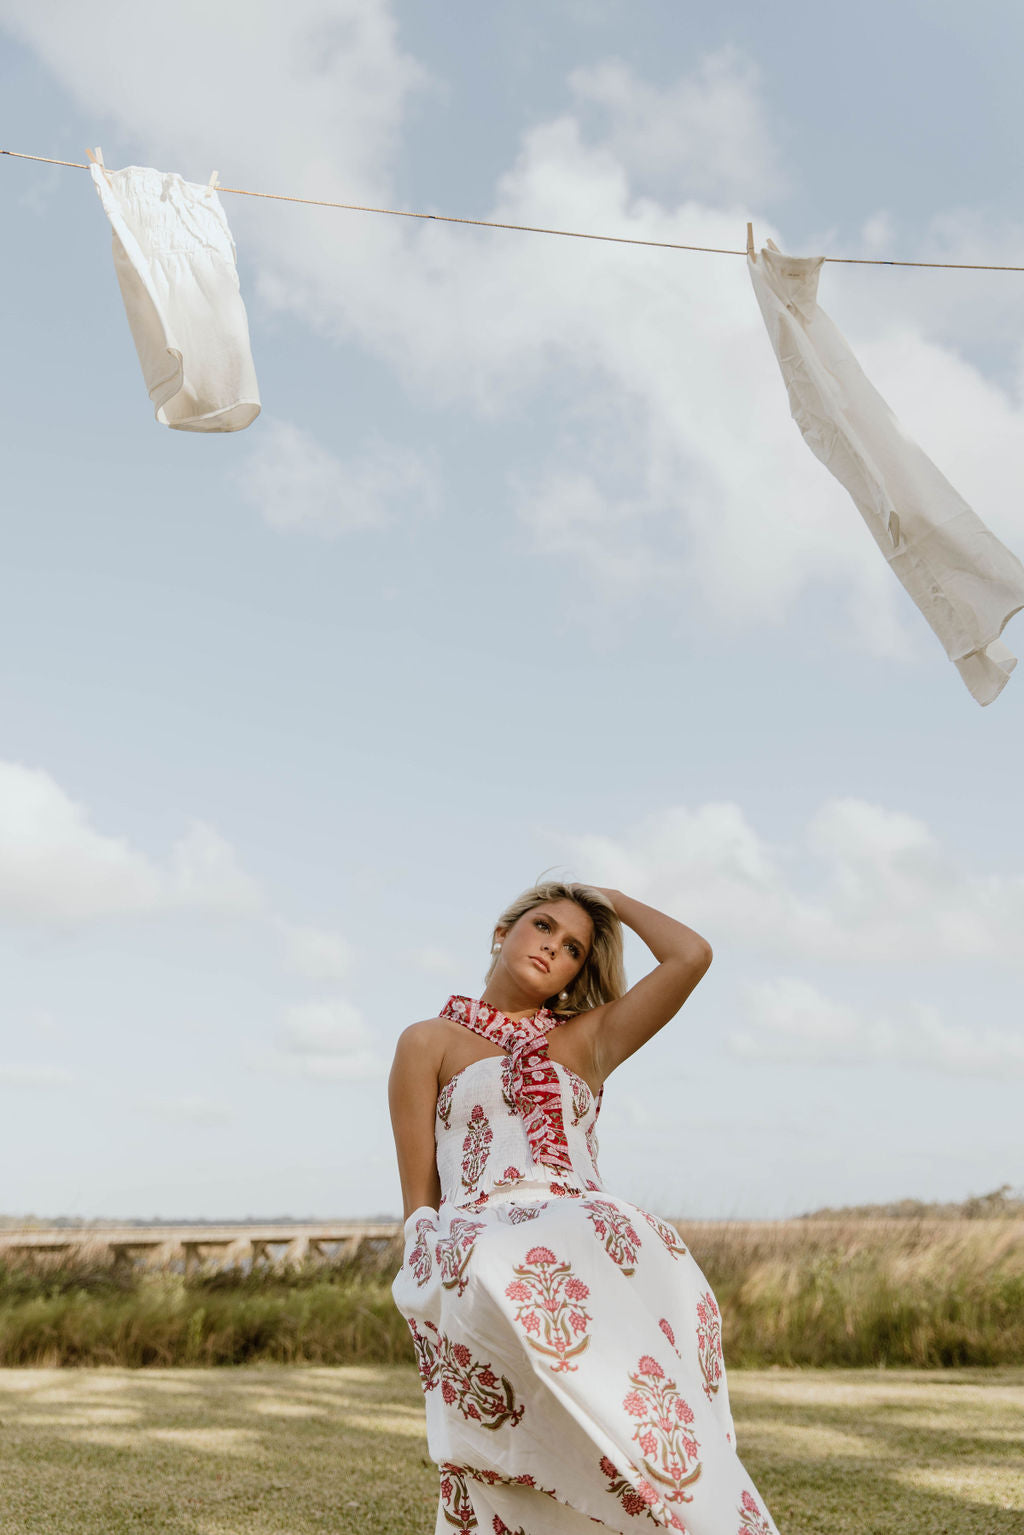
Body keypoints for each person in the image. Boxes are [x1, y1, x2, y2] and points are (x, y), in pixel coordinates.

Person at [389, 880, 780, 1535]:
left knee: (636, 1346)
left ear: (577, 973)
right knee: (512, 1433)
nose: (554, 948)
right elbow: (419, 1203)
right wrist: (427, 1271)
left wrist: (611, 899)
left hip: (581, 1233)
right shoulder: (428, 1041)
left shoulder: (587, 1039)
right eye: (543, 926)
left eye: (573, 948)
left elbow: (691, 956)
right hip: (483, 1244)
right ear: (502, 930)